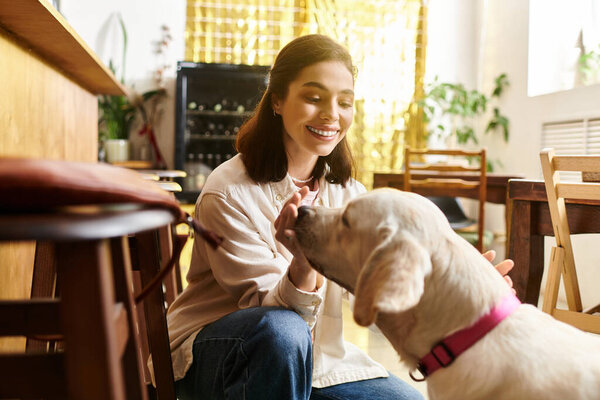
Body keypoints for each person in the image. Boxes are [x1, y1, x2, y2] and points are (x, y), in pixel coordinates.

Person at [166, 34, 514, 400]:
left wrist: (471, 289)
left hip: (319, 364)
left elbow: (382, 286)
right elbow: (275, 325)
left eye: (344, 101)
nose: (332, 114)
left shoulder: (349, 195)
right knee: (282, 333)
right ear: (278, 100)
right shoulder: (228, 192)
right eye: (314, 98)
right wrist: (303, 263)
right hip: (218, 357)